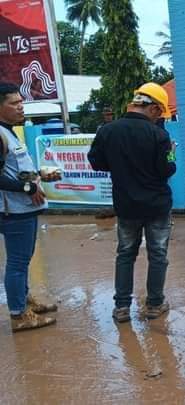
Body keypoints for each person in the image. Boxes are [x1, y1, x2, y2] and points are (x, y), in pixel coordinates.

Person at [88, 82, 177, 323]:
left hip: (126, 205)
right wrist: (172, 153)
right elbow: (167, 169)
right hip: (157, 206)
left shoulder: (107, 131)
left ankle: (122, 308)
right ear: (154, 108)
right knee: (157, 254)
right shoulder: (159, 135)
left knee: (125, 254)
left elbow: (96, 162)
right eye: (159, 114)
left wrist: (120, 166)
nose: (159, 118)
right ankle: (154, 305)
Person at [0, 83, 59, 332]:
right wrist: (28, 188)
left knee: (22, 260)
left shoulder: (9, 132)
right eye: (14, 103)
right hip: (13, 211)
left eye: (21, 102)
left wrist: (38, 175)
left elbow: (12, 170)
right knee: (17, 262)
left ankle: (23, 301)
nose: (21, 107)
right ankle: (19, 314)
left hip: (22, 209)